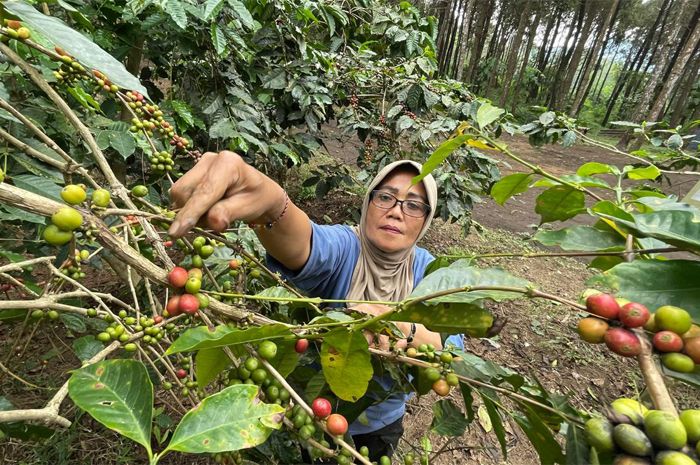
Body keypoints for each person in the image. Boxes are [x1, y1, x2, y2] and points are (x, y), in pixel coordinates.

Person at [168, 152, 463, 460]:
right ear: (368, 201)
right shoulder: (346, 247)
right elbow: (304, 243)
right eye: (385, 197)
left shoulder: (432, 275)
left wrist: (404, 328)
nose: (396, 212)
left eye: (414, 205)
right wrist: (272, 205)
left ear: (427, 219)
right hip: (312, 411)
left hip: (380, 424)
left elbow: (452, 353)